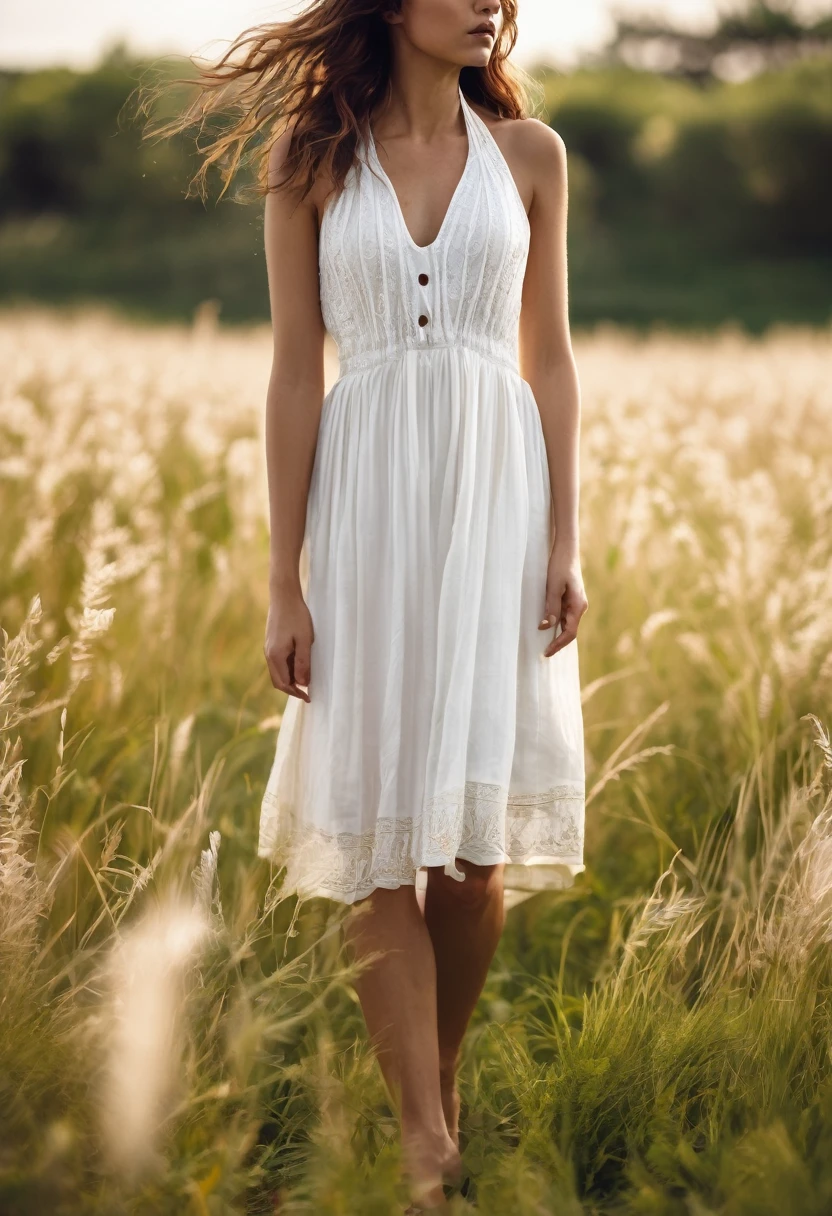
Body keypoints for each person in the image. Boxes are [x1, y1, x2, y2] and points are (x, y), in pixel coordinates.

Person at [157, 0, 589, 1208]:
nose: (491, 4)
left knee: (469, 847)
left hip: (493, 509)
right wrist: (280, 575)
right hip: (361, 514)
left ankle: (434, 1083)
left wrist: (566, 537)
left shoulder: (531, 157)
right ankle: (420, 1142)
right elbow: (296, 371)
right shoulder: (309, 162)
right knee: (376, 829)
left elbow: (548, 356)